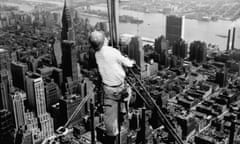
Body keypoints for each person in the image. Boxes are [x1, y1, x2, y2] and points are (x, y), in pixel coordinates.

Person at [89, 30, 135, 144]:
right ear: (104, 40)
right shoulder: (112, 51)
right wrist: (131, 62)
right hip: (120, 87)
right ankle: (124, 112)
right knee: (128, 93)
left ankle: (111, 135)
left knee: (110, 115)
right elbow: (127, 63)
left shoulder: (97, 54)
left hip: (108, 90)